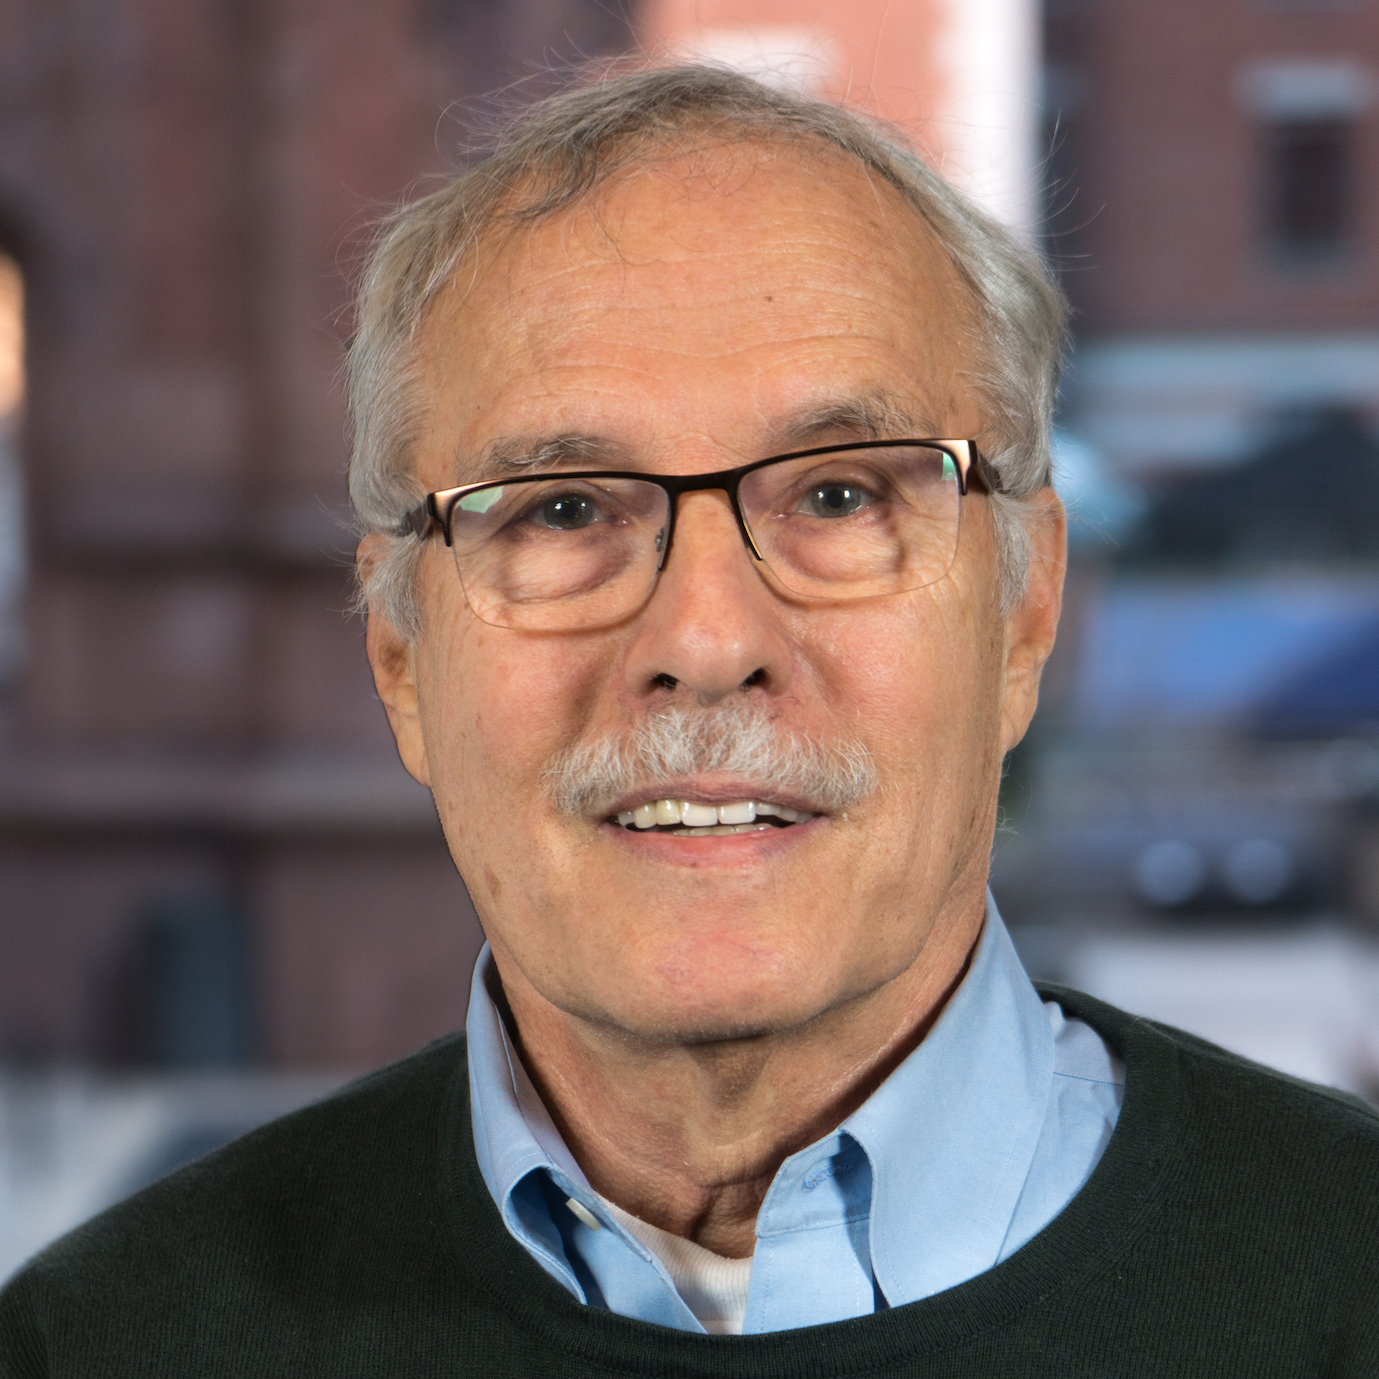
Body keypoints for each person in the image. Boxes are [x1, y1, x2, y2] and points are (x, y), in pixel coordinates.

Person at [3, 65, 1377, 1377]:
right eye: (563, 511)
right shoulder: (101, 1348)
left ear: (1027, 611)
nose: (707, 644)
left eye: (840, 498)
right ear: (400, 659)